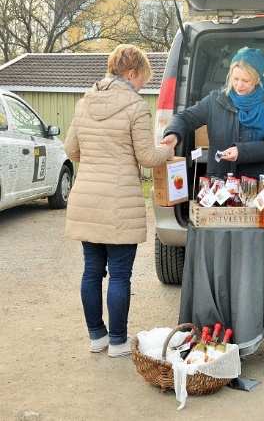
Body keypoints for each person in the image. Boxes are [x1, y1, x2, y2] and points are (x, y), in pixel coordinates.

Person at [64, 44, 173, 357]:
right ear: (132, 73)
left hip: (86, 197)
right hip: (119, 201)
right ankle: (118, 341)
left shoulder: (84, 102)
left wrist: (97, 162)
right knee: (120, 274)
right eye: (143, 79)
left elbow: (71, 149)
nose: (142, 85)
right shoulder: (135, 106)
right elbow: (148, 157)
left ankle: (96, 336)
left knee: (91, 271)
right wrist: (169, 147)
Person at [162, 47, 264, 178]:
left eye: (245, 81)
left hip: (257, 184)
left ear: (257, 79)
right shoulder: (215, 100)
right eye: (235, 79)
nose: (239, 85)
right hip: (220, 182)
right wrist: (173, 134)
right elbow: (184, 118)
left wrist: (241, 152)